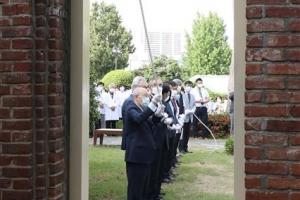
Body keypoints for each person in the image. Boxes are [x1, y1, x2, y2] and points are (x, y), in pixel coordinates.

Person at [124, 87, 163, 200]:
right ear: (137, 97)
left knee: (143, 188)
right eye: (145, 96)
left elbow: (150, 125)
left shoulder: (141, 109)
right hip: (137, 155)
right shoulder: (131, 108)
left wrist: (157, 116)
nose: (148, 98)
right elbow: (138, 119)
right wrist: (153, 103)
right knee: (135, 189)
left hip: (144, 155)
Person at [121, 76, 148, 150]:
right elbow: (137, 118)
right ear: (135, 87)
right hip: (133, 139)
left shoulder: (138, 101)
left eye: (146, 87)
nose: (146, 89)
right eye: (143, 87)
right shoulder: (130, 101)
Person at [179, 80, 196, 153]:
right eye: (187, 85)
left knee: (187, 133)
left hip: (190, 117)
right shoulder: (182, 95)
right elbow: (182, 105)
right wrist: (186, 110)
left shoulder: (192, 96)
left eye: (190, 86)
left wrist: (193, 110)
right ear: (185, 86)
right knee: (182, 133)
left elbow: (194, 105)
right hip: (184, 117)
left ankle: (186, 147)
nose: (189, 87)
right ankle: (181, 148)